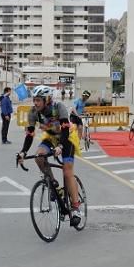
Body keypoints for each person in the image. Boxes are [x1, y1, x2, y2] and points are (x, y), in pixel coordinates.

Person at [18, 86, 82, 227]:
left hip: (67, 138)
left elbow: (65, 131)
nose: (35, 103)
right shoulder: (33, 112)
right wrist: (23, 152)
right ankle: (54, 184)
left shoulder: (59, 107)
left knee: (67, 170)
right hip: (51, 137)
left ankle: (76, 208)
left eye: (38, 100)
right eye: (34, 100)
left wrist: (60, 146)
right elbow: (30, 134)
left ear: (47, 100)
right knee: (38, 157)